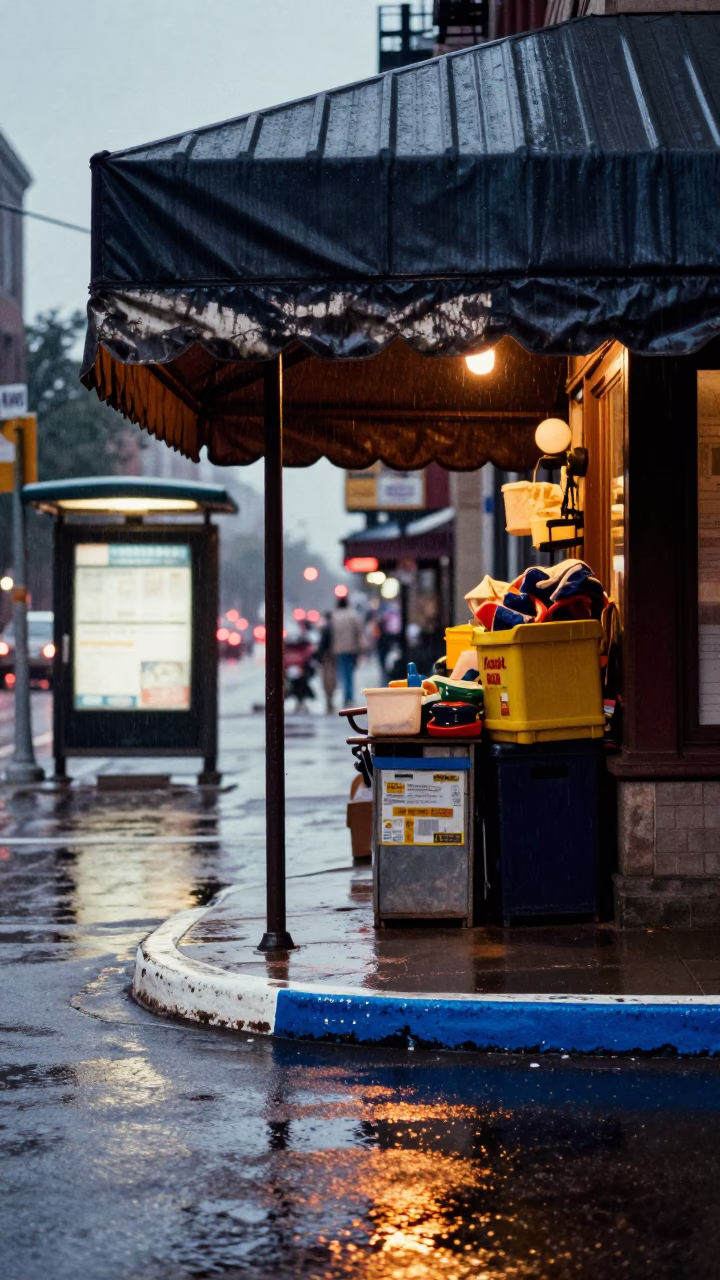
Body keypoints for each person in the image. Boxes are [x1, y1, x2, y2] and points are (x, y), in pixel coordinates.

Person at [331, 595, 363, 707]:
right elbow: (359, 633)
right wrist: (361, 648)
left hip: (338, 649)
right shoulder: (353, 616)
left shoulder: (335, 616)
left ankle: (345, 695)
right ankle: (349, 697)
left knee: (342, 673)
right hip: (351, 649)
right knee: (349, 674)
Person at [316, 610, 337, 714]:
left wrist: (319, 656)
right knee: (332, 678)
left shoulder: (325, 628)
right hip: (335, 656)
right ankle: (330, 697)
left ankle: (329, 698)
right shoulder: (335, 628)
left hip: (327, 657)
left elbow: (321, 645)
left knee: (327, 678)